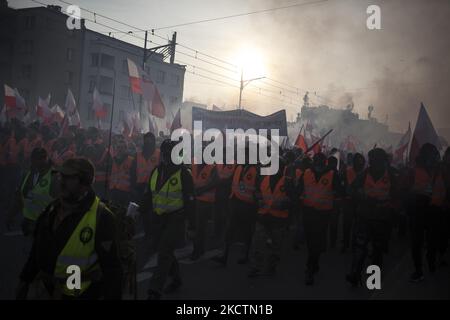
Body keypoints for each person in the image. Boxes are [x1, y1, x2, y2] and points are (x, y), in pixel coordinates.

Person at [16, 158, 123, 299]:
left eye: (68, 177)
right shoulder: (51, 209)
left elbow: (112, 270)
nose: (61, 181)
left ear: (85, 182)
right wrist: (25, 281)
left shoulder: (102, 218)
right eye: (61, 176)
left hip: (80, 293)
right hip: (45, 291)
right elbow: (36, 252)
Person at [140, 139, 195, 300]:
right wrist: (138, 211)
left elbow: (191, 201)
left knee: (164, 252)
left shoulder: (184, 174)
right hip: (158, 218)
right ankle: (176, 279)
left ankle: (154, 290)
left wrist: (192, 226)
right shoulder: (156, 172)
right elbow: (148, 195)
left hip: (176, 219)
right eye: (168, 153)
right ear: (163, 155)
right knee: (165, 251)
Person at [346, 148, 397, 286]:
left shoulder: (391, 175)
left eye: (376, 160)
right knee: (360, 246)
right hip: (365, 215)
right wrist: (360, 195)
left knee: (377, 250)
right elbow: (350, 189)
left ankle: (373, 281)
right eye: (372, 160)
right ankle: (354, 275)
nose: (373, 164)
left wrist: (391, 205)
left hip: (382, 218)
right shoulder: (364, 174)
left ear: (383, 161)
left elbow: (398, 195)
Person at [296, 152, 342, 285]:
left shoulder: (333, 175)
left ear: (324, 163)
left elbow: (339, 192)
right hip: (308, 211)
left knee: (316, 240)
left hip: (323, 213)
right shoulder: (306, 173)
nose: (318, 165)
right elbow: (298, 190)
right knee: (311, 241)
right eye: (316, 162)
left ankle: (310, 268)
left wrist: (335, 210)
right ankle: (314, 262)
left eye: (320, 162)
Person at [248, 157, 290, 278]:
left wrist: (283, 204)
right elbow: (256, 192)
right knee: (258, 243)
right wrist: (258, 199)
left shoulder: (287, 182)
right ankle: (256, 266)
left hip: (278, 219)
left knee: (276, 246)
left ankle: (272, 266)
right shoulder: (263, 179)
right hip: (263, 217)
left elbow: (293, 199)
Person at [407, 143, 441, 282]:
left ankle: (431, 263)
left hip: (434, 210)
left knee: (431, 241)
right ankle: (419, 269)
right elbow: (406, 189)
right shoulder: (414, 171)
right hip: (418, 209)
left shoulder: (440, 171)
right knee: (417, 242)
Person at [7, 147, 58, 236]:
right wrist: (11, 215)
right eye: (34, 159)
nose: (36, 162)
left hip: (45, 225)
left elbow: (60, 203)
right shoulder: (28, 174)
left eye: (40, 159)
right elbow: (20, 197)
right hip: (28, 221)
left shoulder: (55, 176)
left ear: (46, 159)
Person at [341, 153, 366, 253]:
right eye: (358, 162)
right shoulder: (347, 172)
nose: (360, 164)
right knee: (347, 225)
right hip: (348, 202)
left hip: (360, 203)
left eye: (361, 162)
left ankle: (354, 244)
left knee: (357, 226)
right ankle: (346, 244)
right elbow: (342, 185)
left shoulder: (365, 174)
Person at [108, 137, 136, 207]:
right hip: (113, 191)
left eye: (122, 147)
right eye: (118, 147)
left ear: (126, 149)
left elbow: (134, 177)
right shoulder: (112, 160)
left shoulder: (131, 161)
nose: (119, 149)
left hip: (125, 192)